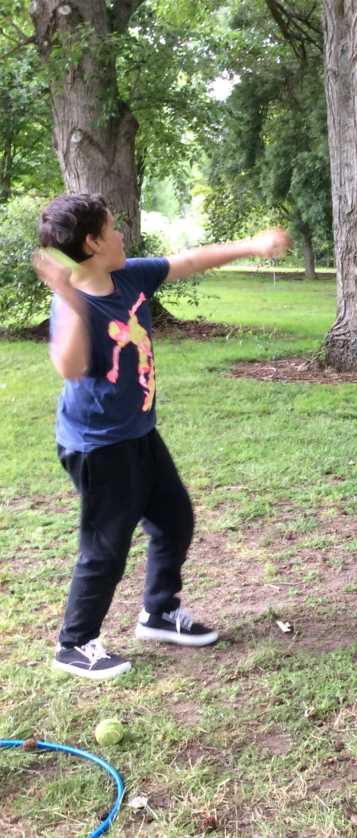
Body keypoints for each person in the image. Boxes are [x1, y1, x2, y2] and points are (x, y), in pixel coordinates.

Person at [36, 193, 290, 679]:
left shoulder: (129, 275)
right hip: (98, 445)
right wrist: (68, 299)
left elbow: (190, 260)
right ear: (92, 243)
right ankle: (75, 642)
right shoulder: (73, 303)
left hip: (138, 433)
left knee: (174, 519)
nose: (121, 235)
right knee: (106, 546)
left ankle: (158, 612)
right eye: (112, 228)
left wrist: (252, 246)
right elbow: (69, 367)